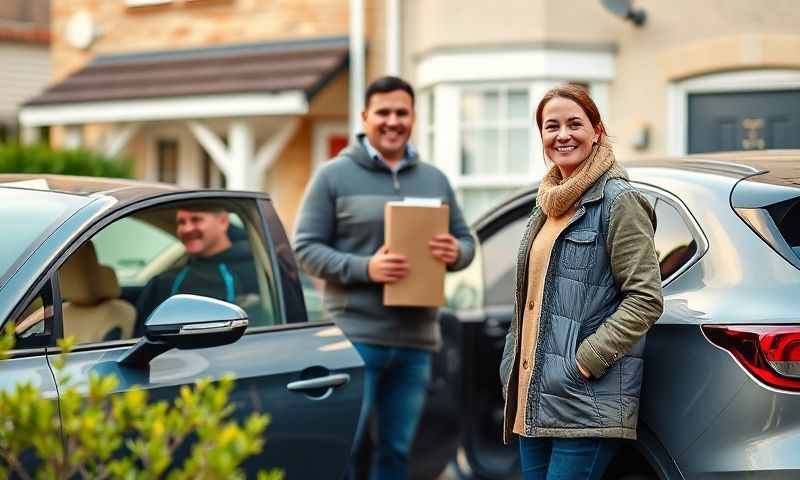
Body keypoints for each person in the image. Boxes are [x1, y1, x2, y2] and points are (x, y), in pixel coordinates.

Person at [293, 76, 475, 480]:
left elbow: (466, 242)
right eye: (384, 113)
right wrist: (366, 268)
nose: (393, 121)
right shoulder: (332, 176)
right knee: (346, 449)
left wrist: (456, 252)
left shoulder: (434, 178)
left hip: (416, 342)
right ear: (365, 117)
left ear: (412, 117)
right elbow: (305, 249)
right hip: (356, 338)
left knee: (396, 452)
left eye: (402, 113)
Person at [498, 85, 664, 480]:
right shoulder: (548, 204)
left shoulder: (618, 200)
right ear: (541, 137)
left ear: (597, 131)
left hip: (583, 400)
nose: (563, 134)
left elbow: (645, 297)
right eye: (551, 126)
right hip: (532, 398)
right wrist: (511, 366)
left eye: (575, 124)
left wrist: (585, 362)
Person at [135, 206, 259, 334]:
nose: (187, 229)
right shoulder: (164, 281)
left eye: (196, 220)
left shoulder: (256, 272)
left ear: (223, 222)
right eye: (181, 222)